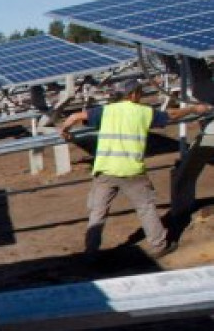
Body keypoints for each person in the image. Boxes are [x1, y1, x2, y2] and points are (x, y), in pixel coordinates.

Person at [57, 79, 211, 257]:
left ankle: (91, 252)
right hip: (132, 172)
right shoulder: (142, 112)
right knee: (145, 208)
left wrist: (65, 131)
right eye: (139, 92)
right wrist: (193, 109)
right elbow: (171, 115)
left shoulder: (105, 111)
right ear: (132, 94)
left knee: (97, 212)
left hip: (105, 170)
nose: (141, 95)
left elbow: (75, 117)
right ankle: (159, 245)